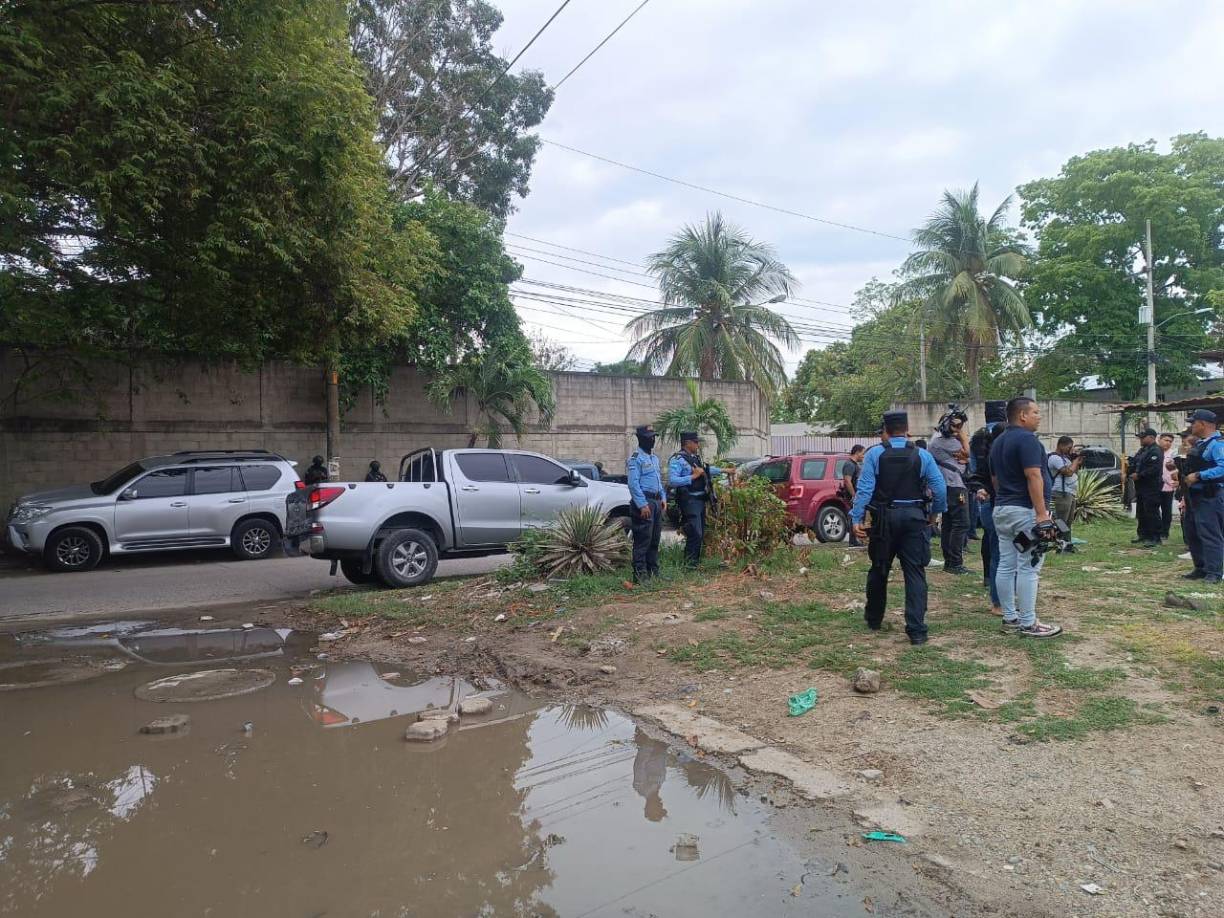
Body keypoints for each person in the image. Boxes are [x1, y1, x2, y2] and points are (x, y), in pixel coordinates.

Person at [850, 411, 948, 645]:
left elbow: (864, 491)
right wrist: (934, 515)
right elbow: (940, 489)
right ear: (907, 428)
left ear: (886, 429)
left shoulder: (874, 454)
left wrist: (856, 518)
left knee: (879, 568)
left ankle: (874, 619)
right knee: (914, 572)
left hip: (884, 520)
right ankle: (917, 630)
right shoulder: (922, 455)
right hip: (915, 518)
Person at [990, 396, 1063, 638]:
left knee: (1006, 564)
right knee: (1029, 567)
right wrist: (1042, 515)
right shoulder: (1028, 441)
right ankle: (1028, 622)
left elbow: (995, 479)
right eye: (1035, 412)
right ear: (1022, 415)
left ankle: (1010, 617)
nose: (1039, 416)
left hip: (1002, 510)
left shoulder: (998, 442)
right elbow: (1033, 475)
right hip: (1024, 511)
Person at [968, 400, 1007, 615]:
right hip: (1009, 499)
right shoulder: (1010, 435)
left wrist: (981, 489)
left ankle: (997, 602)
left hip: (986, 499)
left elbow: (973, 470)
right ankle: (1013, 595)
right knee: (1014, 552)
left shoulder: (977, 439)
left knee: (995, 551)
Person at [668, 432, 727, 567]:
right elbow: (672, 480)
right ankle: (689, 564)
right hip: (689, 501)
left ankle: (694, 563)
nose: (697, 444)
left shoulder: (695, 458)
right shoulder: (677, 459)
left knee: (699, 533)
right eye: (695, 442)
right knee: (695, 532)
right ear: (687, 443)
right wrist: (693, 477)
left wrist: (725, 470)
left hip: (700, 500)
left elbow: (705, 471)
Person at [1180, 409, 1224, 582]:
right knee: (1193, 533)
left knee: (1210, 534)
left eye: (1193, 422)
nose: (1191, 426)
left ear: (1203, 424)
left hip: (1210, 496)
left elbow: (1222, 468)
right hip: (1195, 496)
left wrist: (1199, 476)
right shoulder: (1201, 444)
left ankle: (1214, 572)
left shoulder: (1218, 444)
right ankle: (1201, 567)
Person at [928, 413, 971, 574]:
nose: (958, 430)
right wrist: (963, 437)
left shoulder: (937, 439)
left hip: (950, 484)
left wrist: (965, 457)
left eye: (960, 426)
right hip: (953, 485)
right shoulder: (942, 441)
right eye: (955, 426)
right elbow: (967, 453)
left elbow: (964, 456)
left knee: (950, 524)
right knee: (961, 523)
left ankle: (950, 562)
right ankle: (954, 562)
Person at [627, 425, 665, 582]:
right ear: (641, 439)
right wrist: (642, 504)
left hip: (656, 501)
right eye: (649, 437)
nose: (653, 439)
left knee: (654, 539)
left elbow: (658, 481)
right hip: (645, 503)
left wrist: (663, 497)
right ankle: (640, 575)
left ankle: (653, 572)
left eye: (654, 436)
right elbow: (633, 484)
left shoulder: (654, 458)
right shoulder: (636, 459)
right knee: (643, 540)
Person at [1046, 436, 1083, 551]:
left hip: (1069, 493)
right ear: (1061, 445)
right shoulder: (1055, 458)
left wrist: (1077, 462)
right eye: (1069, 447)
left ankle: (1068, 545)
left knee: (1068, 521)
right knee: (1061, 521)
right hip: (1060, 493)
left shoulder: (1065, 458)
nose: (1070, 450)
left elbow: (1074, 472)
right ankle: (1060, 545)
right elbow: (1067, 472)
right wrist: (1075, 461)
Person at [1129, 428, 1164, 547]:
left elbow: (1154, 469)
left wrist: (1139, 475)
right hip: (1141, 486)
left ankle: (1155, 537)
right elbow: (1136, 463)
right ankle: (1143, 535)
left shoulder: (1156, 450)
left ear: (1151, 437)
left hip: (1151, 486)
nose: (1141, 439)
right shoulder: (1143, 450)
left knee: (1151, 511)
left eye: (1143, 437)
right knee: (1142, 511)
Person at [1175, 430, 1198, 559]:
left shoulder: (1198, 451)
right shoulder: (1182, 451)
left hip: (1198, 491)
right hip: (1185, 490)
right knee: (1187, 518)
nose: (1183, 440)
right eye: (1182, 438)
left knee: (1196, 519)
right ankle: (1191, 546)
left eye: (1185, 437)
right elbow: (1181, 471)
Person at [842, 444, 866, 547]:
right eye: (862, 453)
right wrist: (854, 495)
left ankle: (856, 539)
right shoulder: (849, 464)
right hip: (853, 496)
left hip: (857, 495)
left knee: (858, 516)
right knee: (854, 516)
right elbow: (847, 481)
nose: (863, 456)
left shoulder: (855, 464)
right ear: (857, 452)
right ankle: (853, 540)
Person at [1158, 433, 1176, 541]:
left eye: (1170, 441)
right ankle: (1156, 530)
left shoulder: (1173, 454)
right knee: (1154, 510)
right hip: (1155, 486)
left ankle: (1165, 532)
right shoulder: (1155, 452)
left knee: (1166, 511)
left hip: (1168, 486)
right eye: (1166, 440)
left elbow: (1176, 469)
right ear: (1159, 440)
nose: (1168, 443)